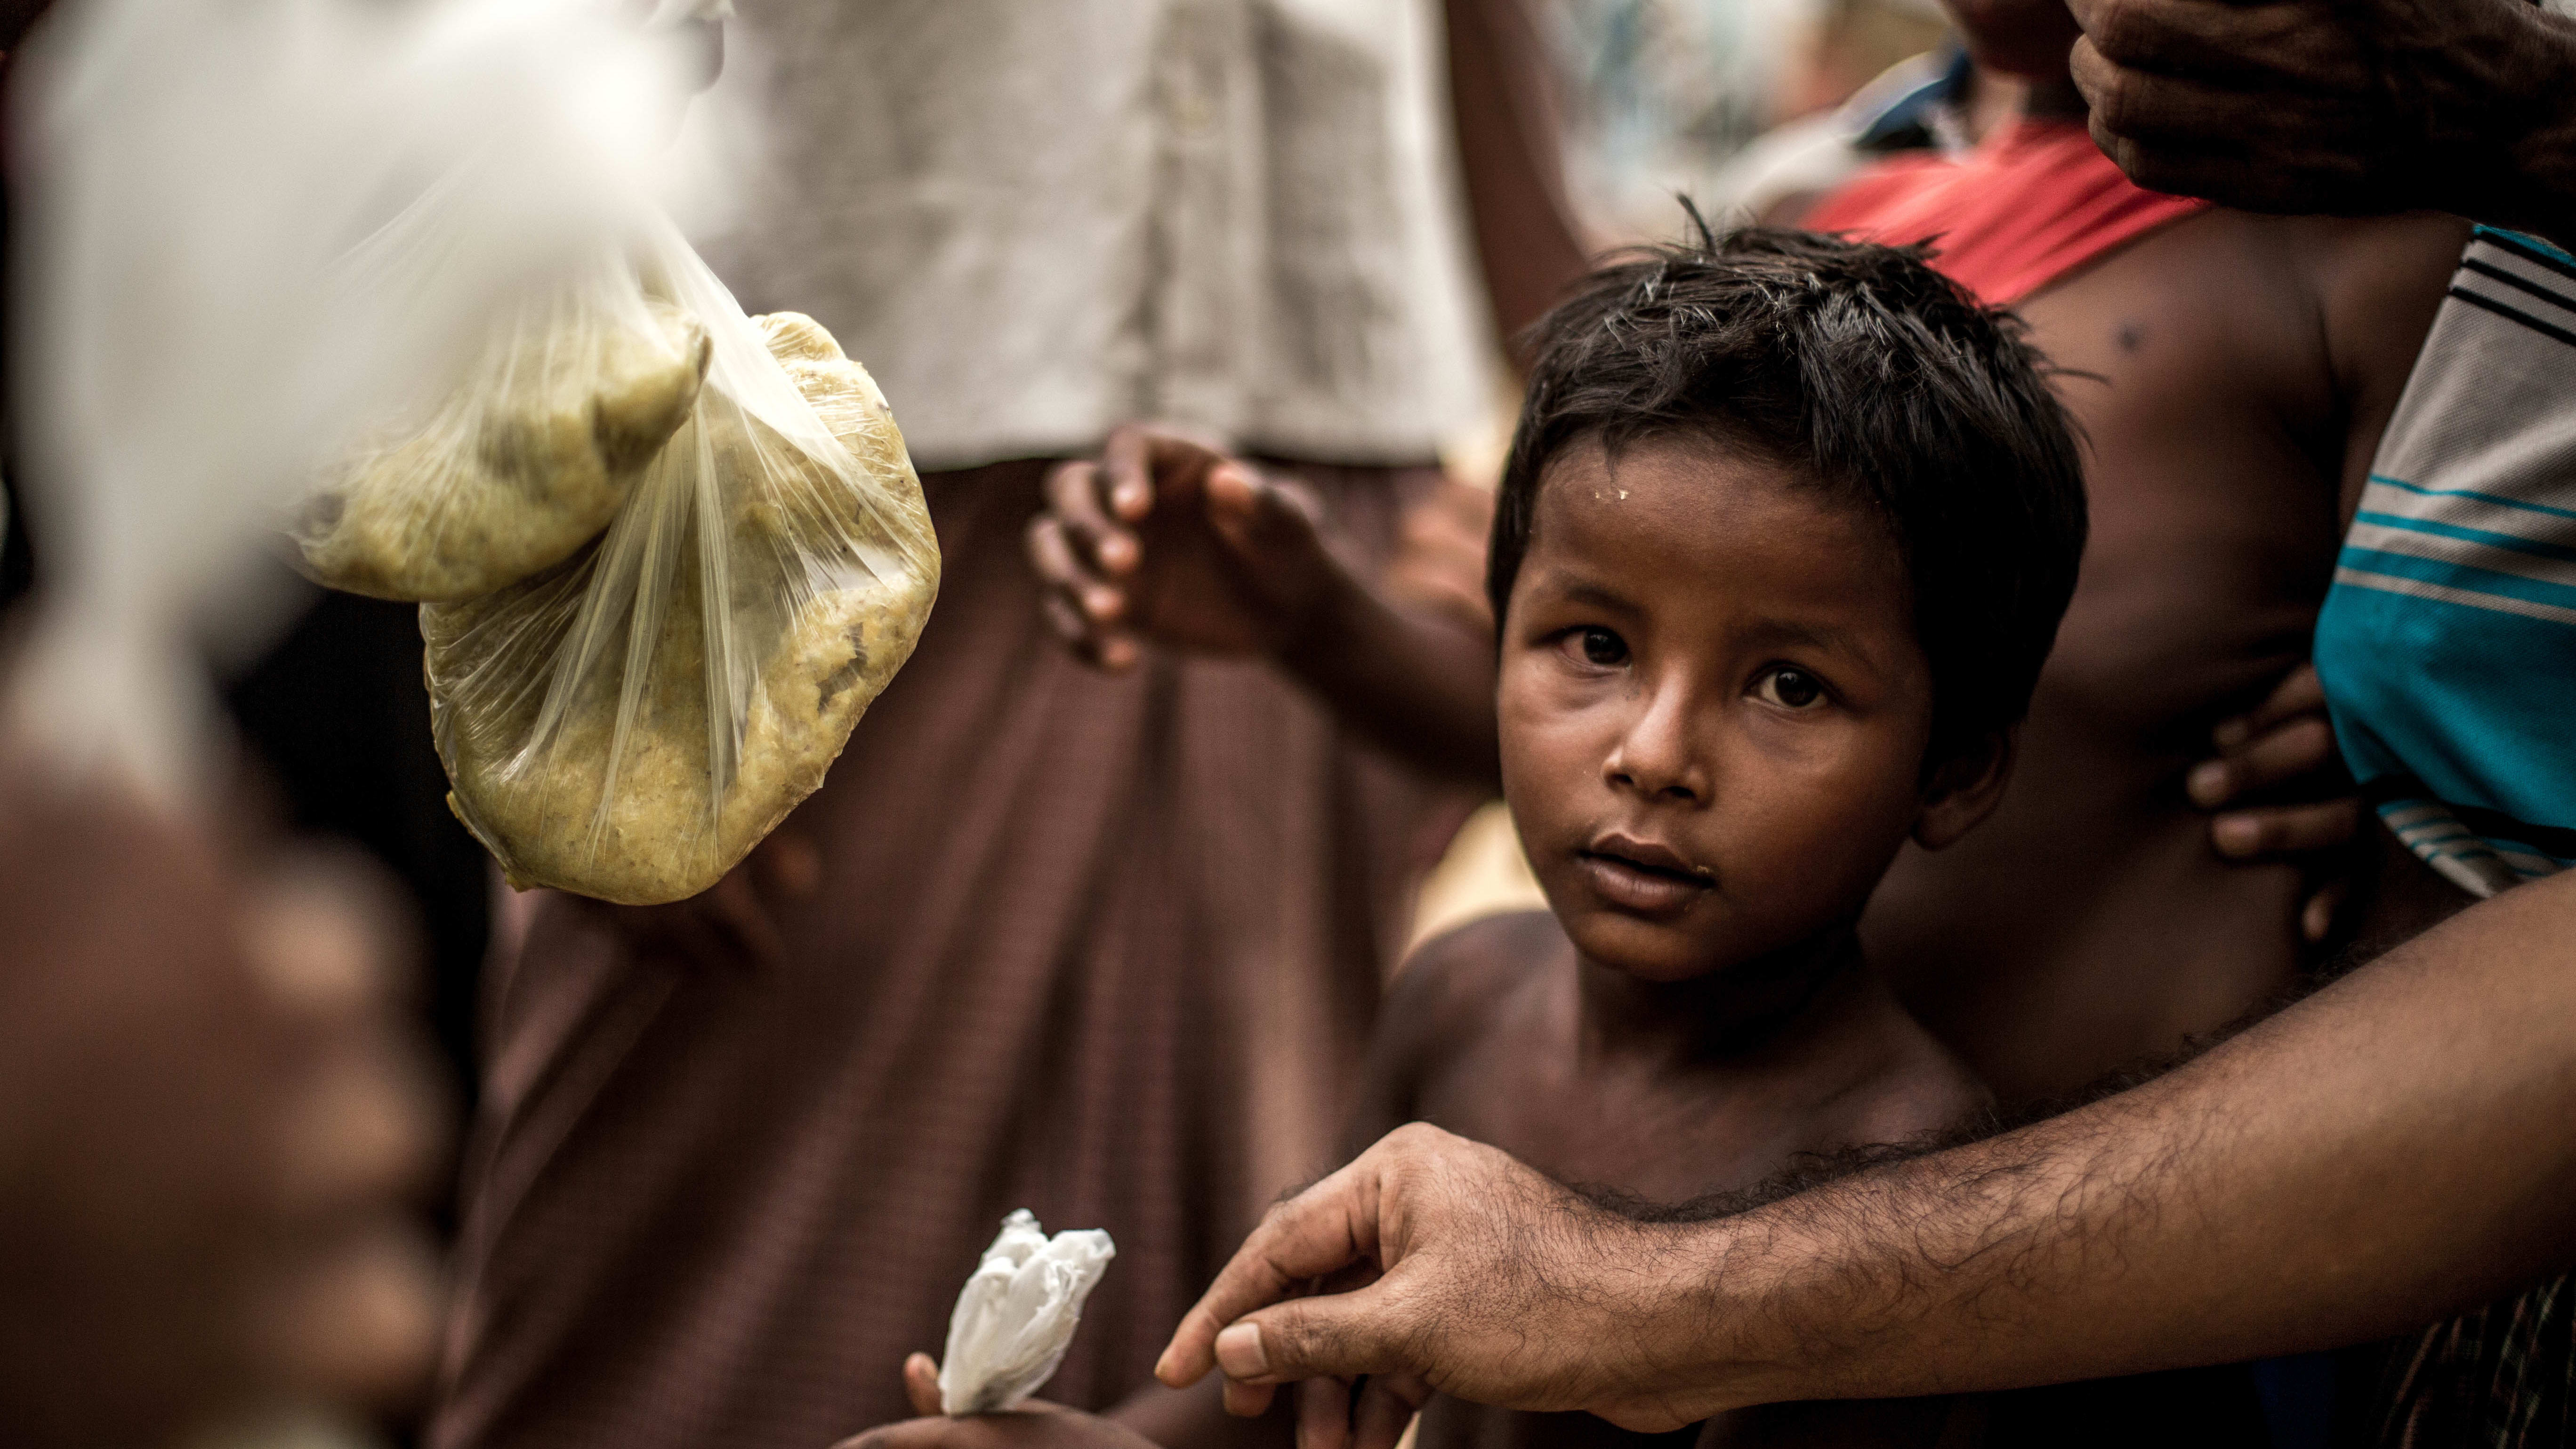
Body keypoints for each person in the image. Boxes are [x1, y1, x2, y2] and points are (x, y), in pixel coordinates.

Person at [1143, 0, 2576, 1441]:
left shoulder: (2389, 241)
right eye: (1596, 646)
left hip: (2207, 1280)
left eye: (1790, 687)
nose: (1656, 750)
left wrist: (2389, 711)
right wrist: (1315, 623)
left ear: (1961, 769)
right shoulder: (1817, 211)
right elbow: (1256, 1392)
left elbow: (2475, 731)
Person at [428, 5, 1588, 1449]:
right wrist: (589, 616)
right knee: (692, 1299)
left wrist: (1586, 441)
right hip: (810, 524)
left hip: (1302, 528)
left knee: (1222, 1305)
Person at [1774, 0, 2469, 1103]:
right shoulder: (1815, 216)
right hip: (1769, 1193)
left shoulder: (2391, 244)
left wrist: (2402, 741)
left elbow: (2475, 777)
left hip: (2204, 1198)